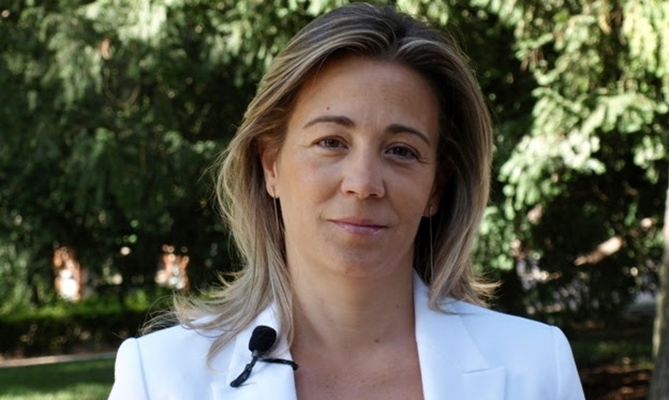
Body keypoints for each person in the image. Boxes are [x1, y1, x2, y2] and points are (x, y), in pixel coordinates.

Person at [108, 3, 585, 399]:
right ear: (270, 165)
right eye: (331, 142)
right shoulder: (159, 377)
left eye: (401, 151)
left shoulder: (536, 368)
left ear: (436, 188)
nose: (363, 183)